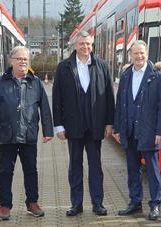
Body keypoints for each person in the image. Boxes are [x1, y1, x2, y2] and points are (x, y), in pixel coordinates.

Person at [0, 46, 53, 220]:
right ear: (11, 61)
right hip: (6, 135)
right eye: (19, 59)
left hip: (29, 134)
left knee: (31, 170)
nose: (23, 62)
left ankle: (32, 203)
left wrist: (48, 130)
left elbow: (44, 108)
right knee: (5, 171)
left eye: (25, 59)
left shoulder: (35, 82)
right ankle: (5, 206)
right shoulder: (0, 83)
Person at [52, 31, 115, 216]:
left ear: (91, 45)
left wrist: (109, 123)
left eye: (88, 44)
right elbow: (57, 99)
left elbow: (110, 98)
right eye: (81, 44)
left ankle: (98, 203)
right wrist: (59, 126)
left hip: (95, 126)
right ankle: (76, 204)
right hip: (73, 127)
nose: (85, 47)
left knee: (96, 166)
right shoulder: (63, 67)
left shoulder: (101, 65)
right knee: (75, 166)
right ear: (74, 45)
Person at [113, 40, 161, 221]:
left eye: (142, 53)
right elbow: (120, 103)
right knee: (132, 170)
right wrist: (118, 127)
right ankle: (135, 203)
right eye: (136, 53)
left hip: (150, 132)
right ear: (130, 55)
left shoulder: (157, 76)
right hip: (129, 131)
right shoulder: (126, 75)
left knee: (152, 171)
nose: (139, 56)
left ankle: (155, 206)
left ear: (147, 54)